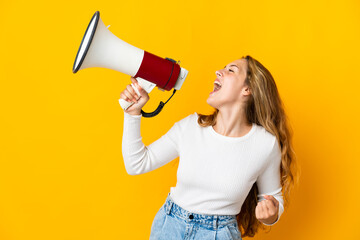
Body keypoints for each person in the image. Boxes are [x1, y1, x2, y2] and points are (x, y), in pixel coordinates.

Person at [120, 55, 298, 239]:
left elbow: (273, 199)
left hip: (218, 233)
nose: (218, 72)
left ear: (248, 89)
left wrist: (271, 215)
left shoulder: (265, 144)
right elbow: (137, 164)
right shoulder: (190, 126)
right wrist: (132, 113)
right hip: (169, 227)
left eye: (231, 70)